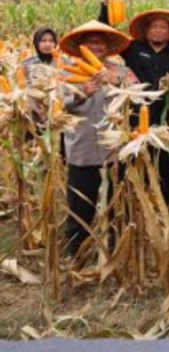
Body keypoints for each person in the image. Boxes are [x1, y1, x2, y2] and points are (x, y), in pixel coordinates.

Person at [99, 0, 169, 208]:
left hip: (167, 113)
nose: (158, 30)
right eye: (154, 27)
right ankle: (130, 201)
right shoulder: (133, 49)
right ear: (146, 31)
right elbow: (106, 34)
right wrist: (105, 7)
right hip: (137, 112)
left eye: (163, 27)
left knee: (167, 158)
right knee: (132, 154)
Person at [58, 21, 133, 255]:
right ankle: (75, 250)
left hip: (114, 149)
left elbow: (138, 93)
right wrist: (80, 96)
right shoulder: (66, 73)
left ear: (108, 47)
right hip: (83, 148)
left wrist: (117, 83)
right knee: (81, 203)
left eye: (100, 42)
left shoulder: (120, 71)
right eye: (90, 42)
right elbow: (57, 107)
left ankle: (116, 248)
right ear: (81, 46)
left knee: (117, 202)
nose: (96, 46)